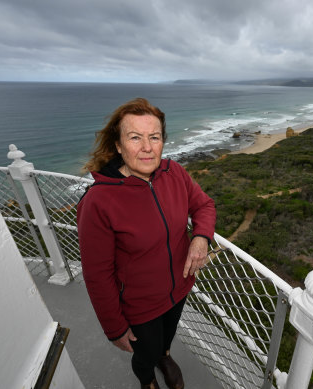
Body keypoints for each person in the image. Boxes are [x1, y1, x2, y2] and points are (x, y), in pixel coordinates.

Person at [77, 98, 216, 389]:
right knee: (144, 352)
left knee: (166, 338)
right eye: (135, 138)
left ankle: (165, 356)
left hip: (180, 286)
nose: (147, 147)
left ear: (163, 140)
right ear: (118, 145)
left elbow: (203, 205)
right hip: (139, 305)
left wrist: (201, 237)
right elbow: (97, 274)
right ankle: (147, 379)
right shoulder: (98, 202)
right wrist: (114, 327)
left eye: (154, 137)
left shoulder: (173, 172)